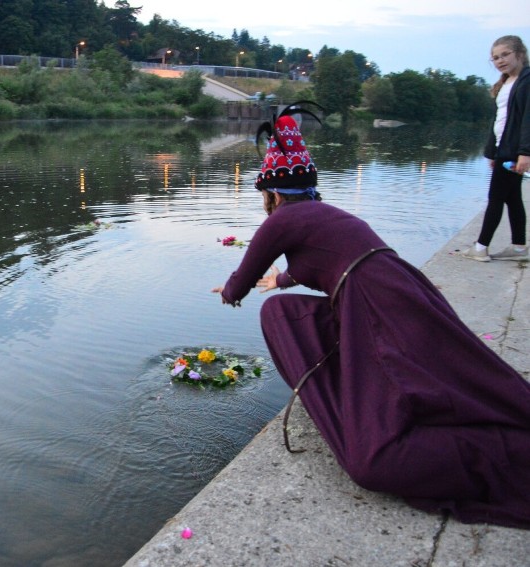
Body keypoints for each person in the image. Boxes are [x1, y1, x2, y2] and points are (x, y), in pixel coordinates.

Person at [211, 106, 530, 529]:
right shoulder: (326, 214)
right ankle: (362, 397)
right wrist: (283, 282)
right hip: (402, 289)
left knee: (375, 461)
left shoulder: (282, 219)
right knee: (286, 312)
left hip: (375, 305)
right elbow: (324, 262)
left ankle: (498, 451)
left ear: (270, 193)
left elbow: (242, 279)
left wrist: (232, 291)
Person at [462, 35, 530, 262]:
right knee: (512, 198)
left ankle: (480, 248)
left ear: (520, 54)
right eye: (495, 58)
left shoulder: (527, 81)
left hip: (513, 150)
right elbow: (499, 121)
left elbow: (527, 119)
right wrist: (492, 152)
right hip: (504, 149)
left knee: (495, 198)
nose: (500, 61)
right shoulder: (507, 82)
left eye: (505, 55)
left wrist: (525, 152)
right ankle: (519, 247)